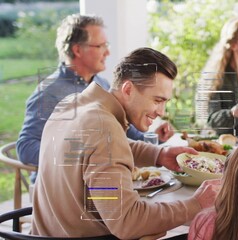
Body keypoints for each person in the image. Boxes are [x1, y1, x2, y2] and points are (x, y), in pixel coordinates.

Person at [31, 47, 220, 239]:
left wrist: (159, 155)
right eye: (157, 100)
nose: (161, 111)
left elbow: (100, 148)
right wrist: (195, 204)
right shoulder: (104, 129)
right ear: (128, 89)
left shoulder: (73, 104)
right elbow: (129, 221)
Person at [16, 14, 174, 182]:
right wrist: (86, 155)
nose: (108, 52)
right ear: (77, 50)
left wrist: (151, 139)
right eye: (100, 46)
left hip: (102, 178)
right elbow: (25, 148)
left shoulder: (101, 84)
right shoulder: (49, 92)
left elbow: (123, 132)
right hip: (63, 184)